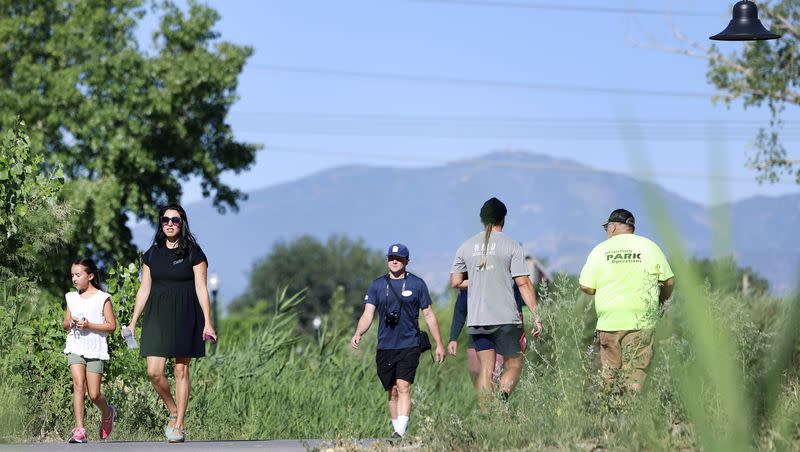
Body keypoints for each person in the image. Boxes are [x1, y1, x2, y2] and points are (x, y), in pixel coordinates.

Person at [126, 205, 216, 443]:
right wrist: (133, 322)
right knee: (154, 372)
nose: (170, 223)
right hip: (157, 315)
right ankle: (173, 409)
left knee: (180, 369)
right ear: (161, 223)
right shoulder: (151, 255)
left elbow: (201, 288)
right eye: (165, 219)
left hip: (186, 314)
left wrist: (208, 322)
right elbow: (144, 290)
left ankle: (179, 425)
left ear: (182, 223)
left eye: (175, 220)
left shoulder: (194, 253)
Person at [450, 197, 542, 410]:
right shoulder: (511, 246)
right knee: (515, 364)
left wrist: (479, 279)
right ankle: (502, 397)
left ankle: (486, 418)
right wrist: (536, 315)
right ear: (503, 219)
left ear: (482, 220)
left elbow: (455, 282)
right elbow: (524, 283)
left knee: (485, 370)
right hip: (506, 318)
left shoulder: (465, 246)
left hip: (478, 319)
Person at [351, 243, 446, 438]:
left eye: (399, 258)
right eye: (391, 258)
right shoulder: (377, 285)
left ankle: (400, 432)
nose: (395, 261)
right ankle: (396, 430)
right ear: (387, 260)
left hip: (409, 343)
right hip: (385, 345)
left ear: (407, 261)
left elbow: (428, 315)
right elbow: (368, 314)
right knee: (392, 390)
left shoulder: (417, 284)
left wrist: (439, 343)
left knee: (404, 386)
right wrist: (358, 332)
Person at [579, 208, 674, 392]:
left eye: (607, 227)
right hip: (642, 320)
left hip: (610, 322)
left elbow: (586, 286)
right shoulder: (650, 247)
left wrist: (601, 289)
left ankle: (613, 411)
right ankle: (632, 411)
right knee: (636, 370)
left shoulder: (600, 250)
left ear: (613, 228)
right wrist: (661, 301)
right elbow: (669, 281)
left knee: (610, 371)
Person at [62, 258, 117, 443]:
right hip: (75, 346)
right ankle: (80, 430)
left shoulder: (103, 298)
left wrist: (89, 325)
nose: (74, 279)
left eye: (78, 275)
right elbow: (65, 323)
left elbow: (111, 326)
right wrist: (69, 323)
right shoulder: (71, 297)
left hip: (95, 349)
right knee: (79, 385)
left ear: (90, 276)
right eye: (72, 275)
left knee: (94, 394)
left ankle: (108, 412)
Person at [447, 281, 527, 384]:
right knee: (476, 372)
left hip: (503, 329)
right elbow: (461, 307)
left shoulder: (508, 274)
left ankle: (499, 398)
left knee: (496, 374)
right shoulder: (473, 276)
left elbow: (522, 293)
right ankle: (488, 398)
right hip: (478, 330)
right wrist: (453, 338)